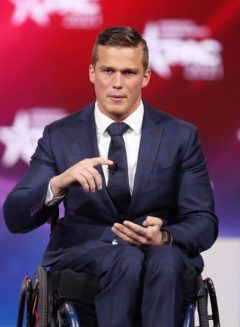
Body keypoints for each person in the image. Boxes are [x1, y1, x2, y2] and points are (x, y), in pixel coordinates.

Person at [3, 26, 218, 326]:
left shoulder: (180, 137)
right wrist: (59, 183)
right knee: (126, 259)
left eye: (129, 73)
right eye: (107, 71)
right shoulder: (61, 136)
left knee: (165, 260)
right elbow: (15, 215)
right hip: (84, 254)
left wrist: (166, 236)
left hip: (162, 261)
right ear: (92, 72)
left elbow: (204, 222)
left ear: (145, 77)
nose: (117, 84)